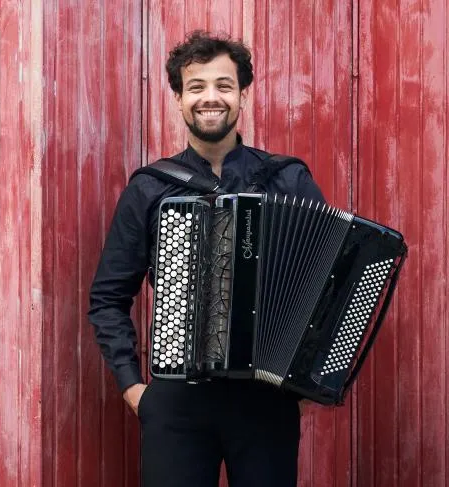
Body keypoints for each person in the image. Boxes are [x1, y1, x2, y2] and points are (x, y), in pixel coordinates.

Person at [88, 30, 326, 487]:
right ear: (178, 98)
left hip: (266, 402)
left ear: (242, 95)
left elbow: (324, 285)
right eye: (196, 87)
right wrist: (134, 388)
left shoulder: (287, 180)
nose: (210, 98)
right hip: (178, 405)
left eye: (223, 85)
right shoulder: (150, 188)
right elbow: (108, 297)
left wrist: (304, 383)